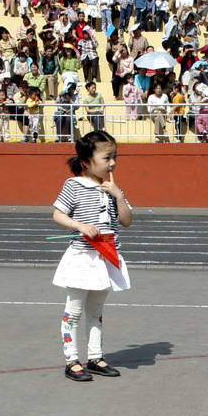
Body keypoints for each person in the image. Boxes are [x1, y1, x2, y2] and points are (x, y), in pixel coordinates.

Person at [52, 130, 131, 382]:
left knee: (96, 311)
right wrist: (80, 226)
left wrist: (118, 195)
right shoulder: (73, 185)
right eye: (107, 157)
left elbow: (126, 221)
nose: (113, 163)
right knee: (73, 311)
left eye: (115, 157)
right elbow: (58, 214)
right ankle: (71, 360)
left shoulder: (113, 189)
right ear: (86, 161)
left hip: (106, 258)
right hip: (82, 258)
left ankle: (95, 357)